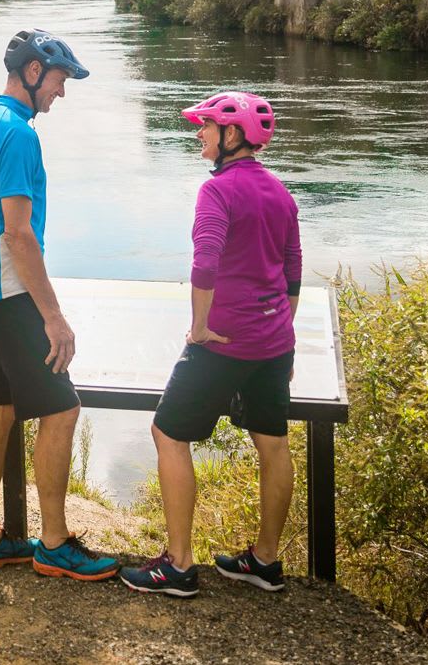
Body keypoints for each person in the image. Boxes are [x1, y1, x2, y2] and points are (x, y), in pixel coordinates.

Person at [120, 90, 301, 598]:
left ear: (233, 135)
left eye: (206, 126)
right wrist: (283, 337)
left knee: (168, 433)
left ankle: (178, 566)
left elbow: (206, 262)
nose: (199, 133)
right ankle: (264, 561)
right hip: (271, 343)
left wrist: (199, 326)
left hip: (221, 343)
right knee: (273, 444)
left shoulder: (216, 192)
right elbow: (292, 274)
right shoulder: (282, 194)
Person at [0, 28, 118, 582]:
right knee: (62, 407)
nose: (61, 92)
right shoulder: (19, 135)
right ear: (32, 72)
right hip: (10, 289)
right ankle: (54, 543)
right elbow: (19, 234)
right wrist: (53, 316)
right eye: (58, 79)